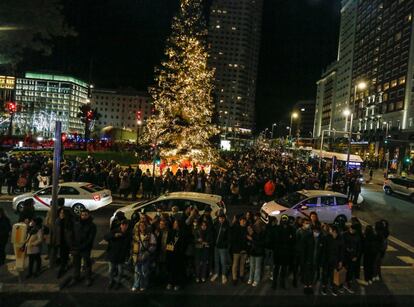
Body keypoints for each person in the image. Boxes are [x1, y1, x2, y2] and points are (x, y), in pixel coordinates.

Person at [68, 209, 97, 287]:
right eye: (82, 215)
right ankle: (76, 277)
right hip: (76, 247)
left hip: (85, 248)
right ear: (80, 215)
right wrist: (73, 245)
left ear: (88, 215)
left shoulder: (92, 226)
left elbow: (90, 239)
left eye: (85, 215)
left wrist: (82, 246)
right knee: (76, 263)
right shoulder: (76, 224)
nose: (84, 216)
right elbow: (72, 235)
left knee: (87, 263)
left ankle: (88, 278)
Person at [105, 219, 131, 290]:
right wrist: (114, 236)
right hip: (112, 254)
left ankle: (118, 282)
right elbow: (106, 237)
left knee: (120, 271)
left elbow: (129, 245)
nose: (124, 227)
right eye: (123, 225)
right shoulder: (115, 231)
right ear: (121, 225)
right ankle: (111, 281)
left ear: (127, 226)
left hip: (121, 256)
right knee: (111, 270)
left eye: (126, 225)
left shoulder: (128, 234)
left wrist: (127, 255)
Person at [131, 221, 156, 291]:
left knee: (144, 272)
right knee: (136, 272)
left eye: (143, 225)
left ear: (146, 227)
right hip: (137, 256)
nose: (142, 227)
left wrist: (146, 254)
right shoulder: (135, 235)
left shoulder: (150, 235)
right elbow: (132, 245)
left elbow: (153, 246)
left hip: (145, 256)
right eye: (140, 226)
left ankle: (143, 285)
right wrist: (133, 255)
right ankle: (136, 285)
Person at [320, 225, 344, 296]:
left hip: (335, 261)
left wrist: (341, 261)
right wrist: (322, 261)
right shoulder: (327, 238)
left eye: (330, 229)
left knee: (333, 275)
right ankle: (324, 287)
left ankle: (333, 288)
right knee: (325, 275)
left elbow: (342, 251)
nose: (329, 230)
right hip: (327, 260)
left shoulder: (340, 239)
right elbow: (323, 250)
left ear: (334, 231)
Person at [302, 224, 325, 295]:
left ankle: (310, 286)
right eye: (315, 231)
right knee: (307, 273)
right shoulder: (307, 237)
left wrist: (321, 261)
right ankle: (306, 286)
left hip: (316, 260)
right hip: (308, 259)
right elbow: (303, 249)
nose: (316, 233)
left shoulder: (321, 238)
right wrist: (303, 259)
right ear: (312, 230)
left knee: (312, 273)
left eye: (318, 231)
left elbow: (322, 251)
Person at [165, 219, 187, 291]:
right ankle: (170, 283)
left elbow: (183, 244)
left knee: (178, 270)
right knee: (171, 269)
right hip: (171, 254)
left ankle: (177, 284)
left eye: (176, 223)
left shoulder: (182, 233)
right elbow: (168, 242)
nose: (174, 225)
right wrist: (169, 250)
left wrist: (178, 250)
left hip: (179, 254)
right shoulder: (171, 232)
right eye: (174, 223)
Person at [53, 207, 73, 278]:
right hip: (60, 241)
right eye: (60, 213)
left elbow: (71, 233)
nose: (61, 214)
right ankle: (64, 266)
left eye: (63, 213)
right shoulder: (57, 221)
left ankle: (63, 268)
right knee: (62, 256)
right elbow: (55, 232)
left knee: (64, 256)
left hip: (67, 242)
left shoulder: (69, 222)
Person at [211, 213, 230, 284]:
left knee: (223, 262)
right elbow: (213, 233)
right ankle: (216, 273)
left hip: (223, 248)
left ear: (224, 218)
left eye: (222, 218)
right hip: (216, 246)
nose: (221, 219)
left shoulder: (227, 226)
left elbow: (228, 238)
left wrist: (224, 244)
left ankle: (223, 275)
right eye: (220, 218)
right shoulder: (216, 224)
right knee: (216, 261)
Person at [343, 224, 362, 293]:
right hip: (345, 256)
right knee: (344, 270)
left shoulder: (357, 236)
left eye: (353, 230)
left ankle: (347, 283)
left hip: (353, 257)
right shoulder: (344, 235)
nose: (352, 230)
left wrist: (356, 256)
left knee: (350, 270)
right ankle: (345, 283)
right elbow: (342, 244)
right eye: (351, 229)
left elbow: (359, 248)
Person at [230, 215, 248, 285]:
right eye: (242, 221)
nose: (244, 222)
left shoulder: (246, 229)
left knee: (242, 264)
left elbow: (247, 241)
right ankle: (234, 278)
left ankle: (241, 276)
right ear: (239, 221)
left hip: (244, 250)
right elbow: (234, 241)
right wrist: (240, 249)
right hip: (237, 250)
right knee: (235, 264)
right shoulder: (236, 229)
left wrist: (245, 250)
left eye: (245, 221)